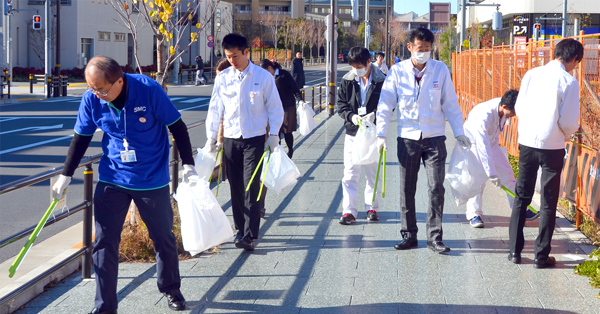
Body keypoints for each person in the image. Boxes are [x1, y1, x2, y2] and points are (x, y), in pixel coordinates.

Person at [51, 56, 195, 313]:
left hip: (151, 178)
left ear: (119, 81)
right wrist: (66, 174)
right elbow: (81, 138)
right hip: (113, 177)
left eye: (101, 89)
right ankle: (105, 306)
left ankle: (171, 288)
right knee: (104, 242)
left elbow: (178, 127)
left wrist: (189, 165)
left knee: (163, 237)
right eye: (91, 88)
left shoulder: (148, 90)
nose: (96, 94)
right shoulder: (92, 99)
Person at [376, 28, 471, 253]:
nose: (424, 53)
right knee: (406, 189)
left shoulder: (440, 70)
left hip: (435, 138)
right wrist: (381, 134)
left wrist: (459, 131)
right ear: (409, 47)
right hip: (407, 139)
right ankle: (409, 235)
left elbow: (450, 103)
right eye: (420, 49)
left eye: (428, 49)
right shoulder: (397, 72)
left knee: (436, 187)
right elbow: (386, 103)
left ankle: (435, 237)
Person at [508, 38, 583, 268]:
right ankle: (541, 256)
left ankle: (514, 252)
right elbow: (570, 121)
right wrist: (563, 133)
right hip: (552, 145)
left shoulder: (532, 74)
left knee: (522, 197)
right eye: (576, 63)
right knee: (549, 201)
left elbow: (519, 107)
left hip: (528, 142)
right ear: (573, 59)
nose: (575, 67)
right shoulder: (569, 81)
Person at [205, 33, 284, 251]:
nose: (232, 60)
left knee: (251, 183)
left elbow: (275, 107)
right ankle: (240, 229)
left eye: (235, 56)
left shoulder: (262, 77)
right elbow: (215, 108)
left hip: (254, 137)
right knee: (236, 186)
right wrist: (212, 137)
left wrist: (275, 134)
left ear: (246, 52)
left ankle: (249, 234)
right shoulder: (223, 78)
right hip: (231, 138)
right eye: (228, 56)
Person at [337, 47, 385, 225]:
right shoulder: (348, 80)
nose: (356, 69)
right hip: (353, 132)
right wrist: (352, 117)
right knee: (350, 173)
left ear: (368, 62)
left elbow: (389, 104)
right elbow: (341, 104)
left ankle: (372, 208)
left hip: (374, 133)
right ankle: (349, 211)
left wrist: (375, 115)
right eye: (353, 66)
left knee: (373, 172)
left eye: (359, 65)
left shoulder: (381, 80)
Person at [463, 90, 519, 228]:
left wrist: (496, 170)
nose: (512, 116)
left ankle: (519, 208)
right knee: (477, 179)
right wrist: (491, 173)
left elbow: (491, 141)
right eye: (512, 113)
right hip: (473, 143)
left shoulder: (503, 108)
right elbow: (482, 147)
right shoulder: (484, 115)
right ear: (504, 107)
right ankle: (474, 215)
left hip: (491, 142)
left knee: (507, 173)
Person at [259, 59, 307, 159]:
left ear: (270, 68)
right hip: (274, 108)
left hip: (287, 106)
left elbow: (294, 88)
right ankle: (278, 153)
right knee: (275, 131)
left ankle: (290, 150)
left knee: (287, 130)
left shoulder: (283, 74)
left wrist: (300, 100)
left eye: (264, 70)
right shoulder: (265, 78)